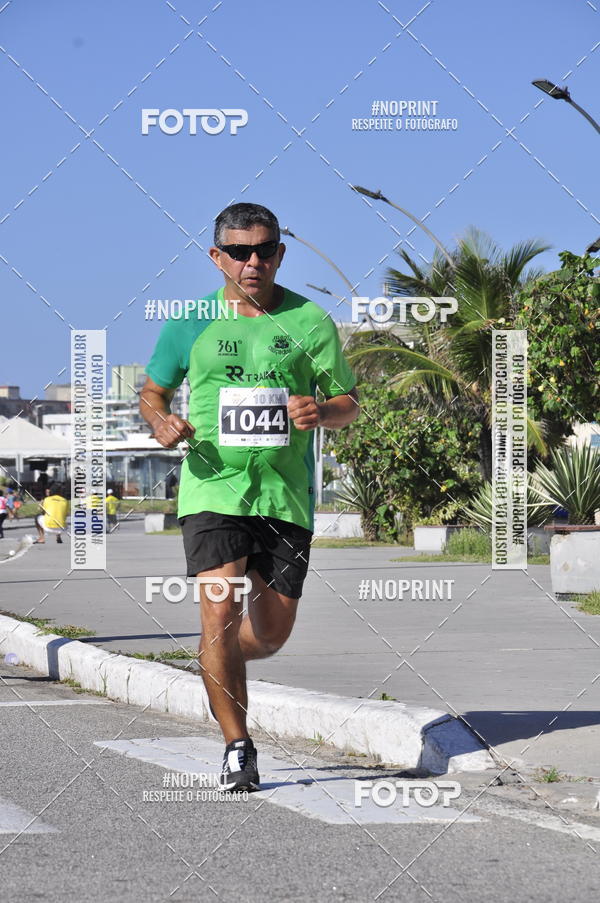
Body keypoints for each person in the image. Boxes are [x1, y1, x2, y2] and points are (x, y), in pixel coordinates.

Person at [140, 202, 359, 792]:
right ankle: (238, 747)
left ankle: (218, 658)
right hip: (212, 487)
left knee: (268, 635)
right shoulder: (189, 324)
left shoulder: (310, 321)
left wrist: (322, 411)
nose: (253, 261)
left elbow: (349, 404)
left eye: (264, 249)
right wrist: (161, 423)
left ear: (280, 254)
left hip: (285, 497)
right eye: (239, 251)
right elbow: (153, 393)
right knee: (218, 612)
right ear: (218, 257)